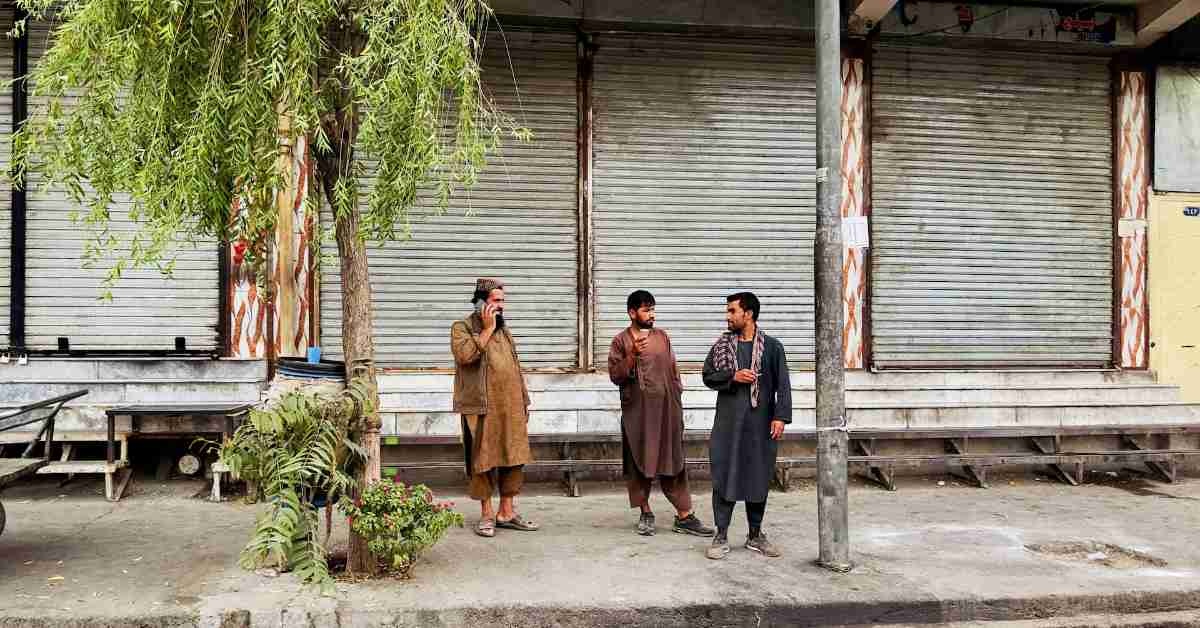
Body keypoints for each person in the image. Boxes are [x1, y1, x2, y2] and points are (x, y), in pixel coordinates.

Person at [608, 290, 715, 538]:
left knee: (673, 459)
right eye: (646, 310)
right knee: (639, 461)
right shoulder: (620, 341)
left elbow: (674, 372)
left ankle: (685, 515)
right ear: (632, 313)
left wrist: (676, 400)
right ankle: (645, 512)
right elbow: (615, 375)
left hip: (667, 412)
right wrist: (632, 355)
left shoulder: (662, 337)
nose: (652, 315)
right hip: (638, 415)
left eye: (653, 309)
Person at [702, 291, 792, 559]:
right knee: (724, 474)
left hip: (760, 426)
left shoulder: (773, 347)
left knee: (757, 475)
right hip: (728, 425)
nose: (727, 316)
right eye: (728, 311)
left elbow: (783, 385)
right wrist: (733, 376)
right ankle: (721, 535)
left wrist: (780, 417)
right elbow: (708, 376)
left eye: (732, 311)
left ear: (748, 314)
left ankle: (755, 534)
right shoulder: (721, 346)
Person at [450, 278, 540, 538]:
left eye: (503, 301)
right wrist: (487, 329)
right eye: (496, 301)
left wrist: (524, 401)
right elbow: (465, 356)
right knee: (482, 460)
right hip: (480, 408)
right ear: (481, 302)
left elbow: (515, 368)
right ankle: (487, 514)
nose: (501, 306)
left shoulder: (505, 331)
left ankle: (506, 513)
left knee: (514, 458)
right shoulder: (462, 327)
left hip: (510, 406)